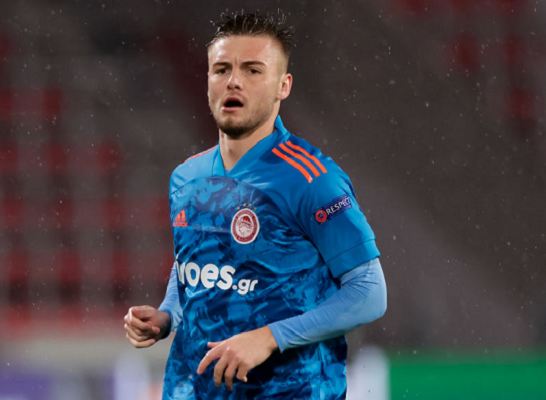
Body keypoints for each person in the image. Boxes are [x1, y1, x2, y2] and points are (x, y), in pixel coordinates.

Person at [124, 11, 387, 400]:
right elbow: (193, 265)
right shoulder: (186, 177)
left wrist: (269, 337)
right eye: (222, 69)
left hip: (292, 391)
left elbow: (369, 292)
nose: (233, 81)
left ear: (283, 86)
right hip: (194, 389)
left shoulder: (312, 179)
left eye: (252, 70)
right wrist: (167, 315)